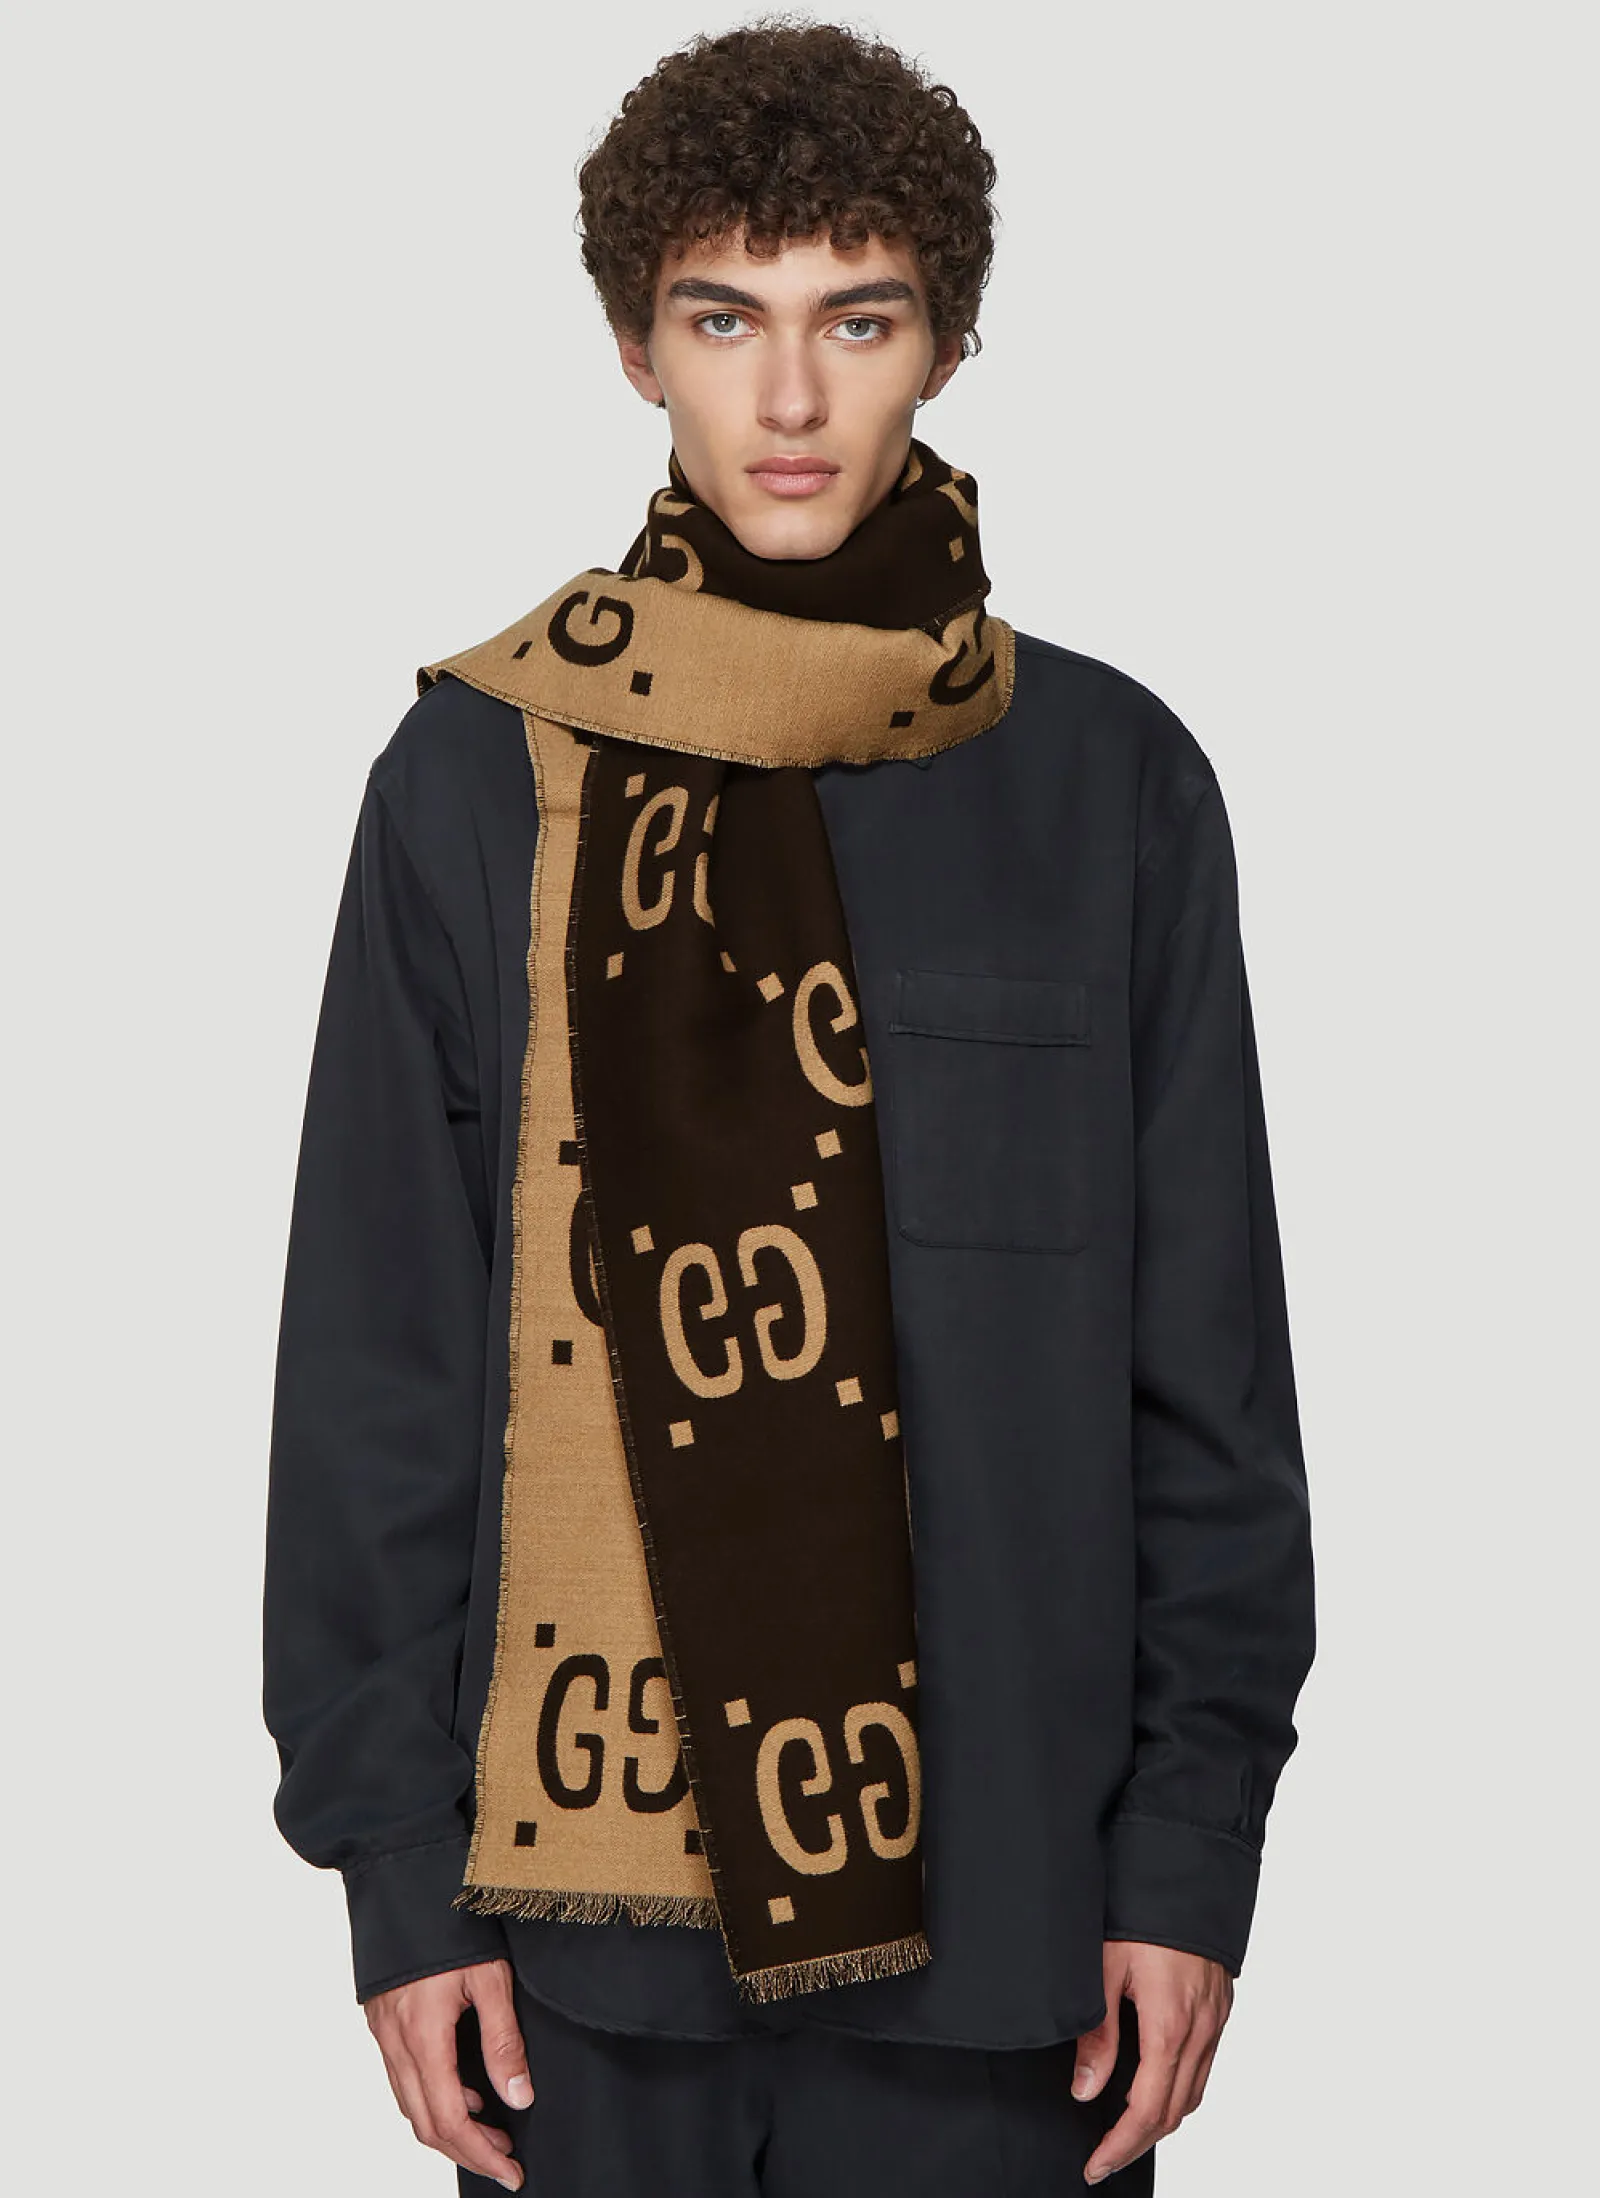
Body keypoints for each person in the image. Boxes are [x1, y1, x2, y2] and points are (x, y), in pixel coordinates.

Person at [262, 21, 1315, 2195]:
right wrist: (393, 1870)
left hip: (1016, 1934)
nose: (793, 397)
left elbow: (1205, 1373)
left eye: (859, 317)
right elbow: (378, 1360)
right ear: (634, 345)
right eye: (724, 318)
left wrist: (1190, 1848)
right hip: (573, 1961)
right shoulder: (475, 776)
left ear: (948, 339)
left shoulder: (1106, 784)